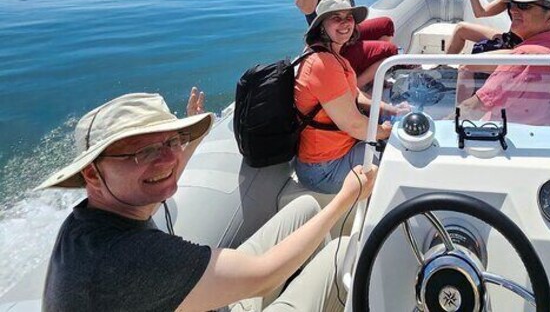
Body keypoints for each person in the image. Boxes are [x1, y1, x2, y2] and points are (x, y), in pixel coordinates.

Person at [39, 88, 376, 312]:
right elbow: (263, 276)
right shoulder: (126, 258)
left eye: (172, 142)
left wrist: (191, 141)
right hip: (231, 291)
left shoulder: (93, 216)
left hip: (204, 300)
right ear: (92, 174)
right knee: (340, 249)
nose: (167, 159)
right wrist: (347, 196)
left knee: (304, 207)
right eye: (144, 151)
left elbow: (157, 180)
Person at [295, 0, 408, 195]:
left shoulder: (335, 56)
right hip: (324, 169)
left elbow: (354, 92)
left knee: (401, 141)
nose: (344, 23)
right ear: (321, 26)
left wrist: (388, 108)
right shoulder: (322, 64)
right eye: (336, 18)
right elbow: (354, 125)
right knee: (403, 158)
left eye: (348, 17)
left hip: (341, 150)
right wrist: (386, 131)